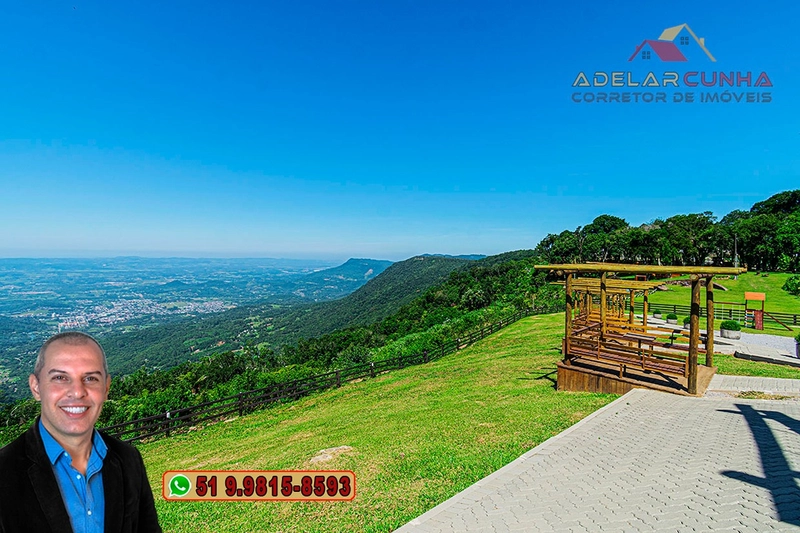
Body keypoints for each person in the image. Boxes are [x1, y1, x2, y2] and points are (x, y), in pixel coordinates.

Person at [0, 331, 162, 533]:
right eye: (60, 377)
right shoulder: (4, 472)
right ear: (36, 387)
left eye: (91, 378)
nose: (77, 392)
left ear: (106, 387)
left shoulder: (129, 460)